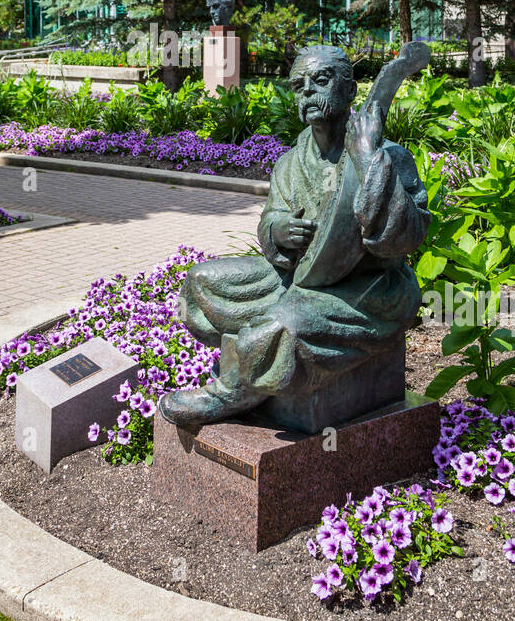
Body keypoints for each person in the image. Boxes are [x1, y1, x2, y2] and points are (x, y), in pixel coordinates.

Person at [159, 45, 430, 428]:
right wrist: (278, 230)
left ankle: (231, 393)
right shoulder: (290, 163)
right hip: (299, 274)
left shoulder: (389, 155)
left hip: (369, 289)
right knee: (203, 284)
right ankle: (261, 353)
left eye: (321, 80)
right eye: (298, 85)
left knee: (281, 328)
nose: (308, 92)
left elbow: (407, 236)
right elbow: (271, 220)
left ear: (351, 91)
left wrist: (368, 160)